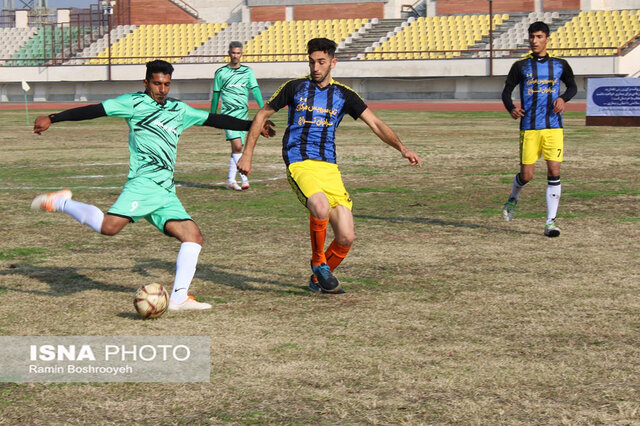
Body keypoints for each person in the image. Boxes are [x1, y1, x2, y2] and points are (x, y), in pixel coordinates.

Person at [30, 60, 274, 311]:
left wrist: (253, 126)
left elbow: (215, 119)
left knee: (193, 236)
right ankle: (61, 202)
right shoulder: (133, 103)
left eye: (167, 84)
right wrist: (53, 118)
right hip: (143, 183)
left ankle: (179, 298)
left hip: (166, 189)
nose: (162, 89)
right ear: (146, 82)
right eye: (157, 83)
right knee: (108, 228)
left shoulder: (179, 110)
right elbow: (94, 110)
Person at [237, 38, 422, 294]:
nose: (315, 67)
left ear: (333, 63)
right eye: (312, 61)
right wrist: (247, 154)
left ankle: (317, 280)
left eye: (321, 62)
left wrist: (402, 148)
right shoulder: (295, 87)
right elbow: (262, 115)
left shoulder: (344, 95)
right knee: (320, 205)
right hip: (299, 162)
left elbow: (376, 123)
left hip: (329, 169)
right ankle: (318, 262)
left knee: (346, 237)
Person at [501, 21, 577, 237]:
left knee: (554, 171)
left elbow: (572, 86)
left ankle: (550, 222)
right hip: (530, 127)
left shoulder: (560, 65)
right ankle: (514, 196)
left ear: (547, 39)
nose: (535, 41)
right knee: (527, 175)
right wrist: (511, 108)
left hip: (554, 127)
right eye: (532, 37)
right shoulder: (521, 66)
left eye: (539, 37)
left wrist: (563, 98)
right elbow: (506, 92)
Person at [211, 41, 264, 191]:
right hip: (228, 115)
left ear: (241, 54)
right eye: (233, 53)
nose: (235, 55)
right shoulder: (220, 73)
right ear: (229, 53)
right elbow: (216, 95)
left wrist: (263, 109)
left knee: (236, 150)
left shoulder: (248, 72)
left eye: (238, 53)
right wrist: (212, 116)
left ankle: (230, 181)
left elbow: (256, 91)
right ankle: (244, 178)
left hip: (243, 115)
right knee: (238, 146)